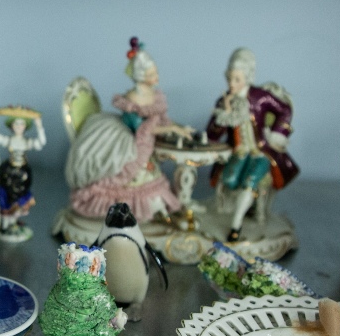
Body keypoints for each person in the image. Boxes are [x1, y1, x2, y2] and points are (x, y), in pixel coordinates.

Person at [67, 38, 190, 223]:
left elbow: (161, 118)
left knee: (151, 174)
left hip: (146, 139)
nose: (156, 77)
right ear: (141, 76)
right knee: (128, 167)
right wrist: (171, 128)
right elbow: (141, 128)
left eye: (155, 72)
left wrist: (175, 127)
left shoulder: (154, 95)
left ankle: (158, 208)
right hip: (133, 137)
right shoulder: (133, 98)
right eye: (152, 73)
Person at [205, 47, 299, 242]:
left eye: (237, 80)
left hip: (261, 152)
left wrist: (277, 133)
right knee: (230, 180)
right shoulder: (224, 101)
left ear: (247, 78)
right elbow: (212, 135)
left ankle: (236, 225)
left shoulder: (260, 96)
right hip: (238, 154)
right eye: (229, 79)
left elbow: (284, 110)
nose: (232, 84)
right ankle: (242, 210)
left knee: (250, 183)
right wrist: (224, 114)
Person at [0, 107, 46, 239]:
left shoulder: (26, 141)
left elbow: (41, 143)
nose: (19, 126)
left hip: (22, 174)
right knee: (7, 195)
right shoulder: (9, 140)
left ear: (25, 126)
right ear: (11, 126)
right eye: (16, 124)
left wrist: (39, 126)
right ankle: (5, 224)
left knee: (20, 196)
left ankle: (13, 221)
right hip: (9, 173)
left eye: (22, 124)